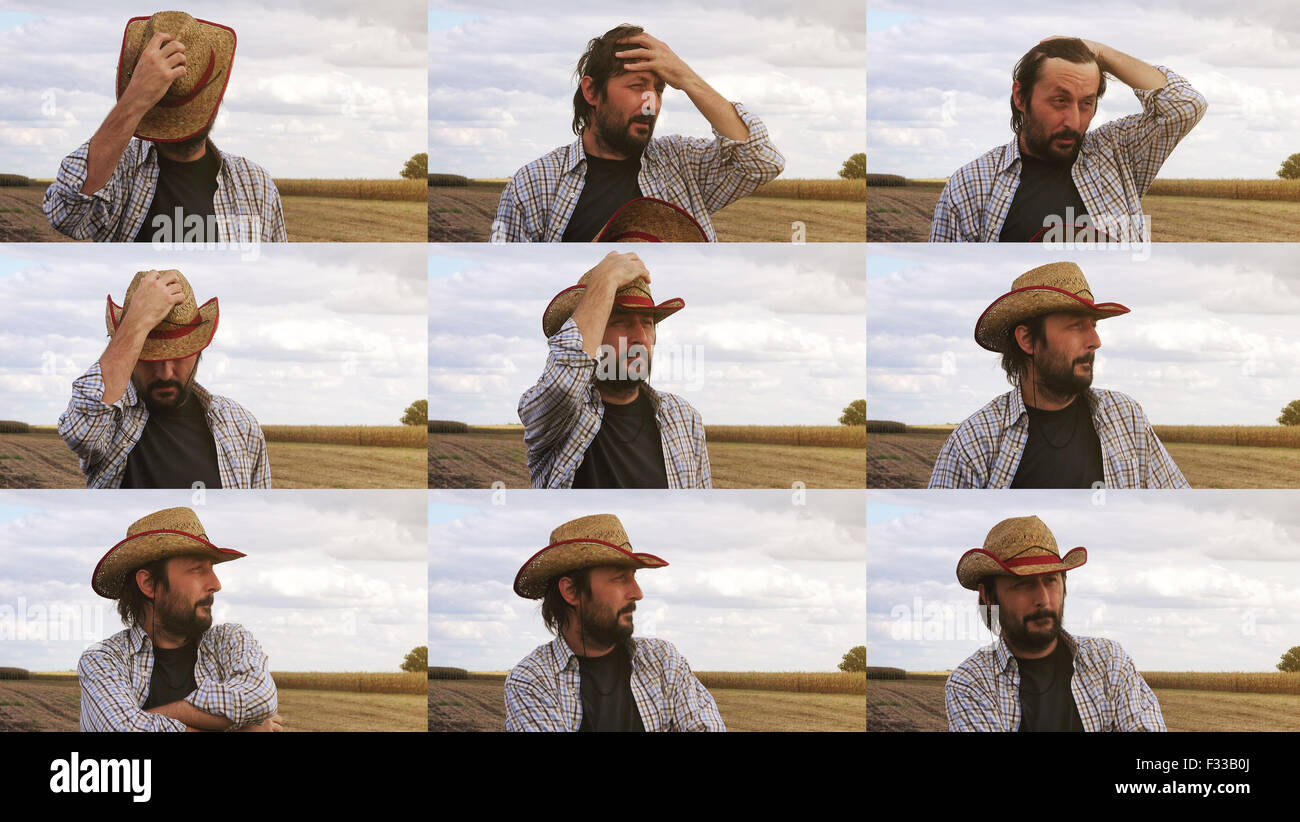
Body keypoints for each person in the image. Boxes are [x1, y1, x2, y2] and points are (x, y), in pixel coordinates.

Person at [492, 24, 785, 242]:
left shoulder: (681, 164)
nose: (652, 104)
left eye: (659, 89)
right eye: (636, 87)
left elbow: (762, 161)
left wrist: (686, 78)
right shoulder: (533, 185)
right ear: (592, 91)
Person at [928, 261, 1187, 489]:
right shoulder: (974, 443)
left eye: (1093, 326)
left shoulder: (1126, 418)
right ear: (1027, 340)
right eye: (1076, 326)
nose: (1095, 340)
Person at [929, 37, 1206, 242]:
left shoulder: (1117, 154)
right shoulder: (970, 186)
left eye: (1086, 103)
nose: (1073, 121)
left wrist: (1099, 53)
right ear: (1020, 97)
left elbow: (1186, 105)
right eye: (1060, 101)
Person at [43, 11, 286, 243]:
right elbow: (65, 214)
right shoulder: (121, 172)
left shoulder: (256, 185)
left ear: (217, 97)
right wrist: (134, 98)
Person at [505, 513, 724, 732]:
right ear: (571, 591)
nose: (637, 593)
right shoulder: (532, 680)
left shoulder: (664, 662)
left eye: (634, 577)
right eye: (620, 579)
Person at [946, 515, 1165, 732]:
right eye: (1024, 584)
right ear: (989, 597)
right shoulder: (971, 683)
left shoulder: (1109, 662)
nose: (1043, 599)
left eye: (1051, 581)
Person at [58, 268, 271, 489]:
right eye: (149, 357)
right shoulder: (112, 422)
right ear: (130, 354)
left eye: (178, 356)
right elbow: (80, 434)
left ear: (198, 351)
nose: (165, 373)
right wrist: (136, 323)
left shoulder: (239, 424)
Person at [78, 506, 281, 732]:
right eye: (197, 569)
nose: (215, 584)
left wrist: (148, 717)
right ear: (148, 584)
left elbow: (261, 698)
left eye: (211, 568)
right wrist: (240, 728)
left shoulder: (229, 640)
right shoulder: (104, 660)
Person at [518, 251, 710, 488]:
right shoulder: (559, 420)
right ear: (593, 334)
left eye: (647, 323)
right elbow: (563, 385)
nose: (640, 337)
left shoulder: (684, 418)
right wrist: (604, 281)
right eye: (621, 322)